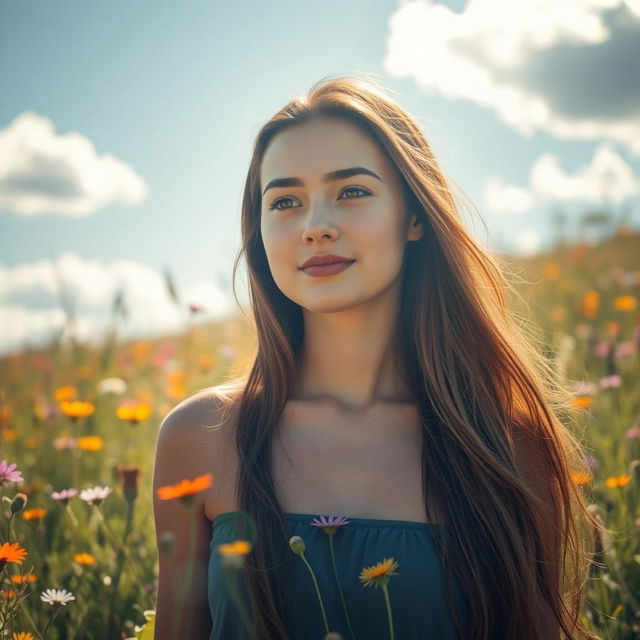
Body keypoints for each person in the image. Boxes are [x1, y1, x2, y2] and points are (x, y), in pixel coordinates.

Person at [152, 74, 603, 640]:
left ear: (414, 217)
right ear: (261, 233)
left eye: (352, 191)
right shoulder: (200, 435)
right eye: (285, 202)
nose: (316, 227)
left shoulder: (504, 443)